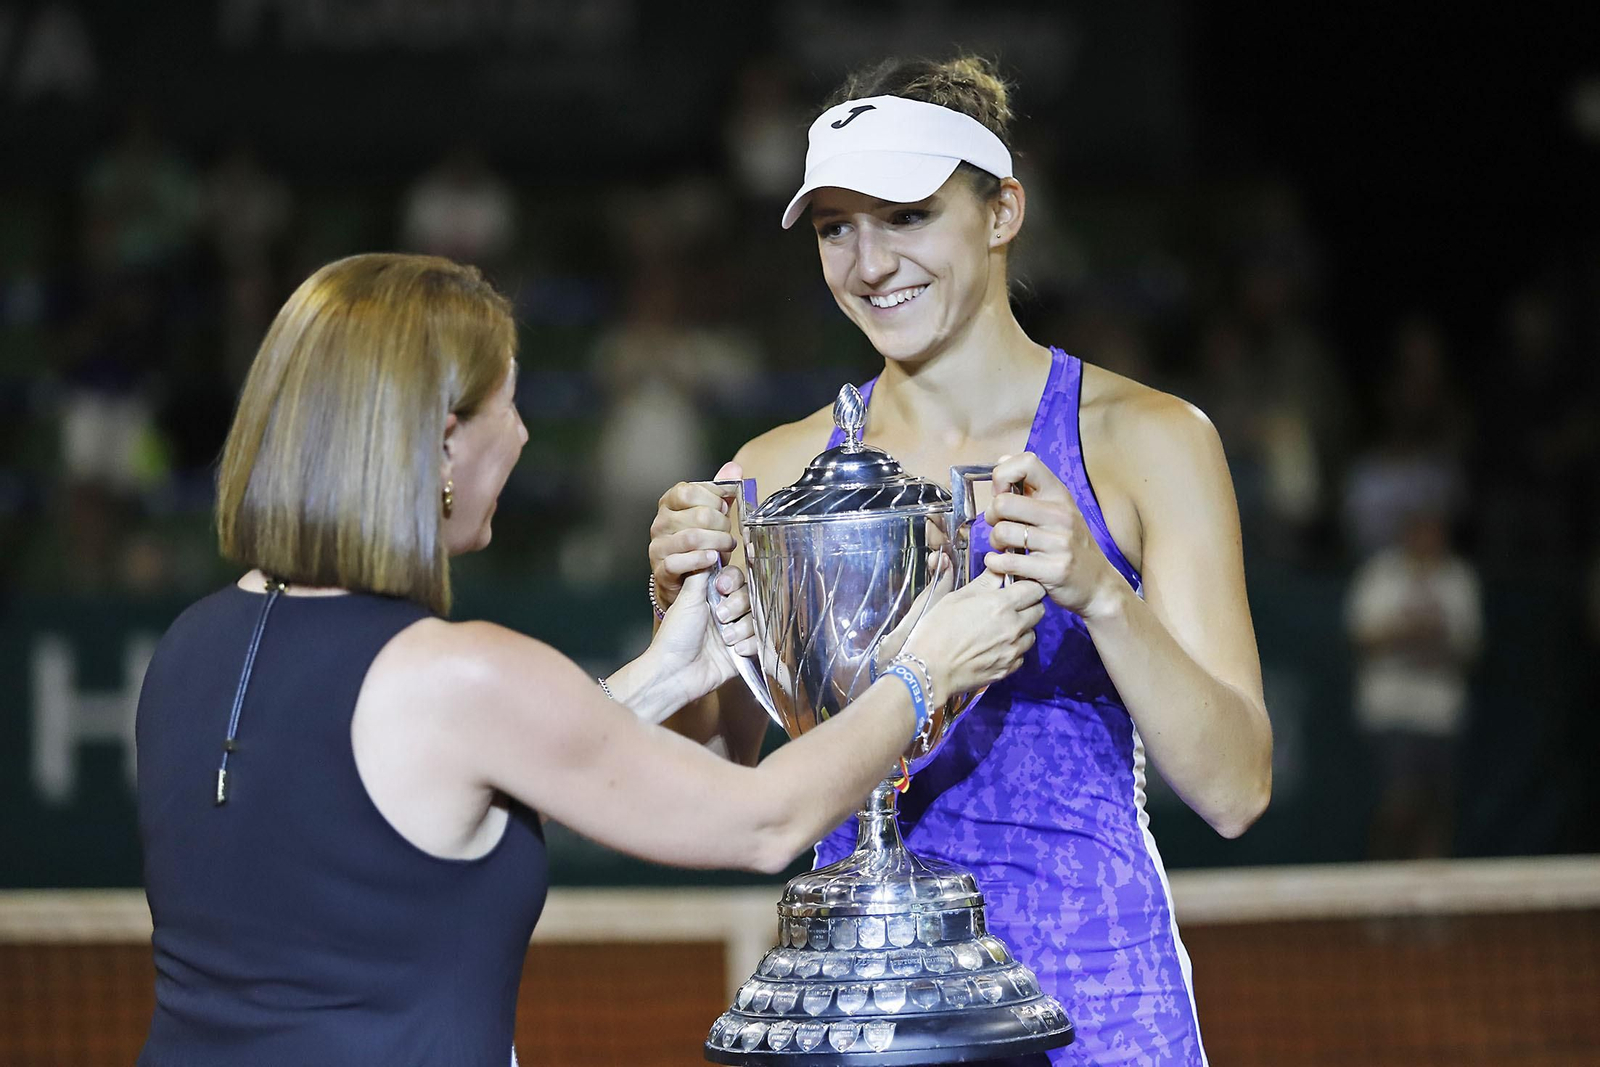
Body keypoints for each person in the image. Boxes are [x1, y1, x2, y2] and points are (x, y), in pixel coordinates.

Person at [133, 253, 1047, 1066]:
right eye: (508, 403)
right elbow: (766, 823)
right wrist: (925, 666)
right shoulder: (460, 672)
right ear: (446, 440)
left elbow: (409, 794)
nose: (524, 436)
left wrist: (669, 674)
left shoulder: (190, 646)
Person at [649, 57, 1273, 1065]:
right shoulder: (771, 471)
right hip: (863, 1001)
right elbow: (716, 778)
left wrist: (1099, 593)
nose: (869, 261)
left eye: (906, 215)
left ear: (1000, 211)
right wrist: (678, 615)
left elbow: (1236, 787)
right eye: (835, 227)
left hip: (1094, 995)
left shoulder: (1150, 439)